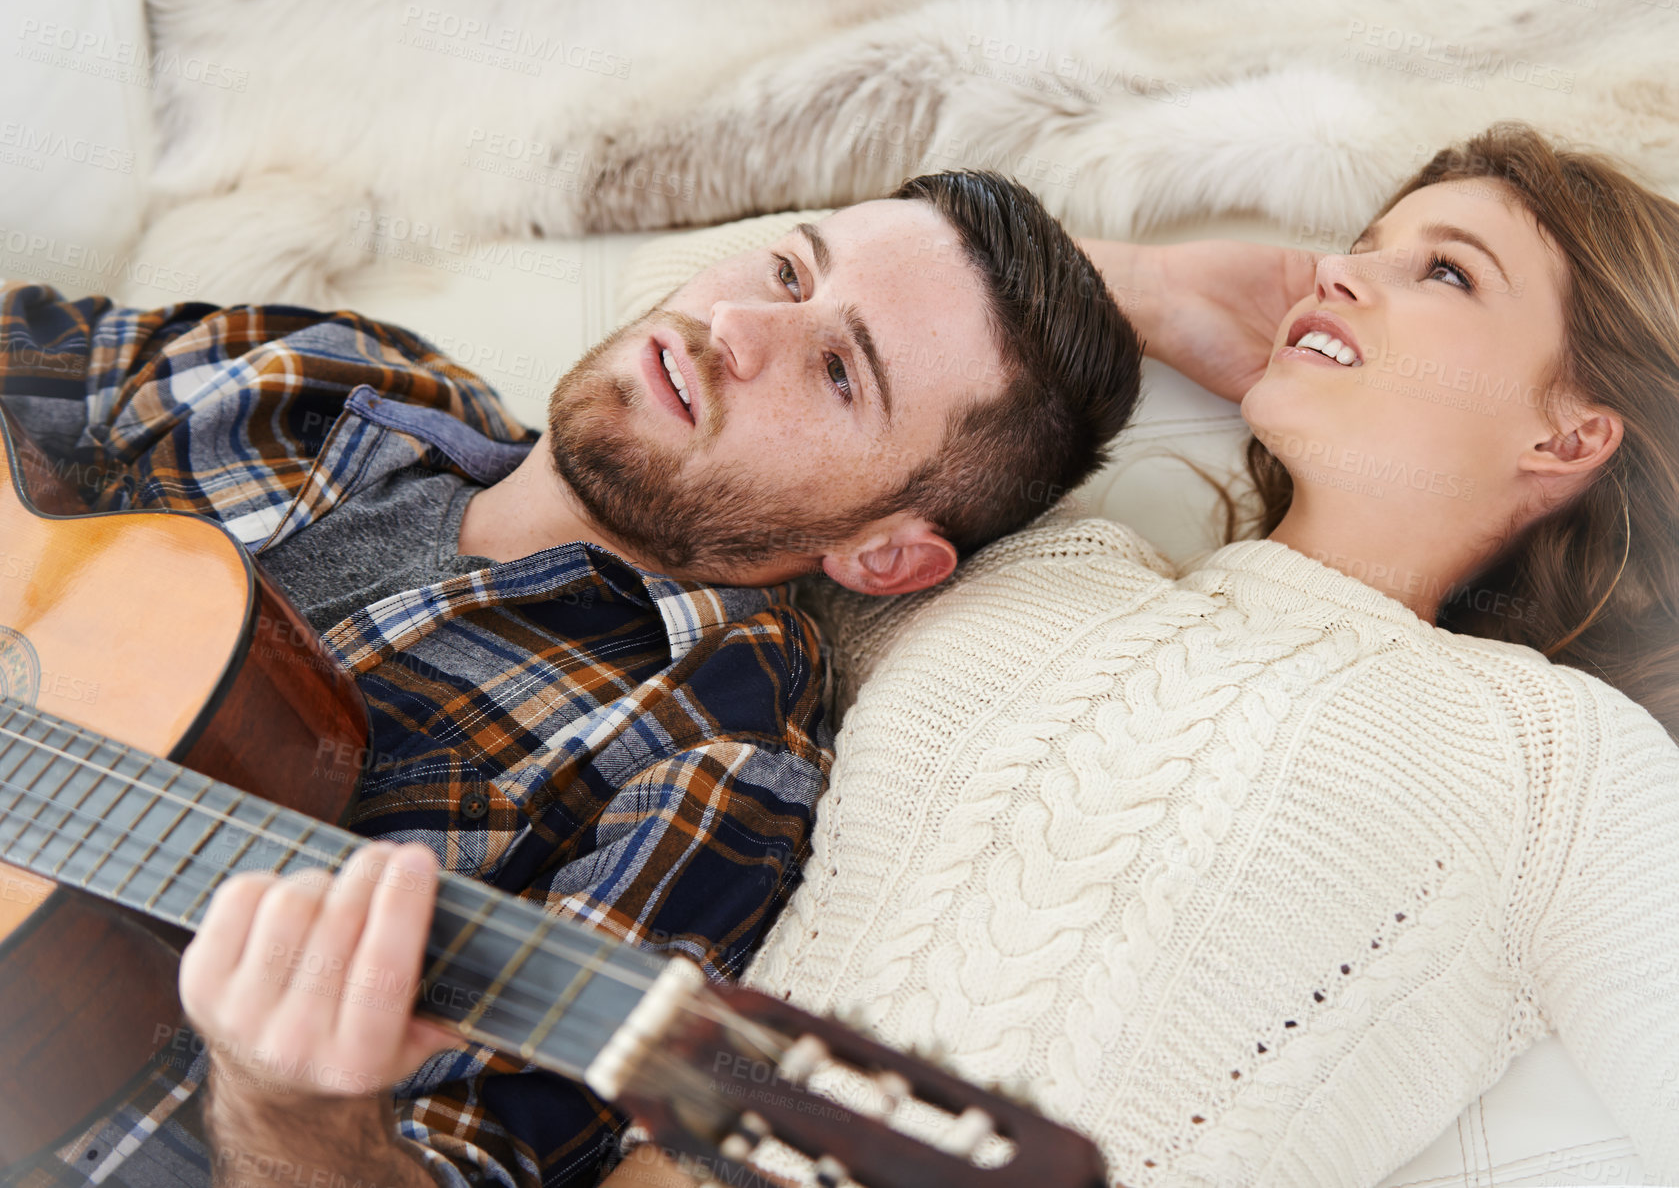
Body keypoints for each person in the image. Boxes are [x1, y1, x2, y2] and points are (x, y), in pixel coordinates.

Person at [0, 170, 1143, 1188]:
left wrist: (290, 1099)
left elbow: (460, 1158)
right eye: (787, 267)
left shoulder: (713, 744)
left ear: (883, 554)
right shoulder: (334, 369)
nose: (736, 322)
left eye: (839, 369)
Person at [607, 120, 1679, 1186]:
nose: (1338, 273)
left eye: (1443, 270)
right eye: (1360, 241)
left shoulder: (1559, 760)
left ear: (1568, 435)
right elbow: (678, 362)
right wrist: (1147, 296)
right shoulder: (1031, 563)